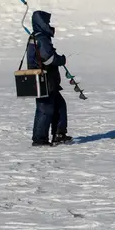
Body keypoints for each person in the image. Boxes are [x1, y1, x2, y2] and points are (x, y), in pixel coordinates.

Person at [26, 10, 72, 146]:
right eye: (47, 22)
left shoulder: (37, 37)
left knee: (59, 106)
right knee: (45, 109)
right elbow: (48, 59)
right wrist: (61, 60)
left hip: (48, 80)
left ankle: (59, 134)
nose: (49, 24)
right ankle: (39, 139)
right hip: (44, 80)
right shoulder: (41, 38)